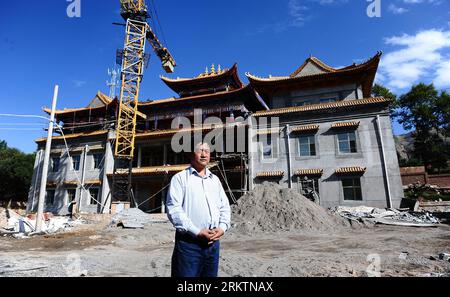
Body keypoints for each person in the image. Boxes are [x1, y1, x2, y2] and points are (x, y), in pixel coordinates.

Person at [166, 142, 231, 277]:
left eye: (207, 151)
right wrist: (197, 232)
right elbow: (174, 210)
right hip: (189, 245)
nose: (204, 154)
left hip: (213, 244)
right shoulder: (180, 179)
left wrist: (222, 227)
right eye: (200, 151)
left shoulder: (215, 180)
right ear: (191, 155)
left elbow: (224, 206)